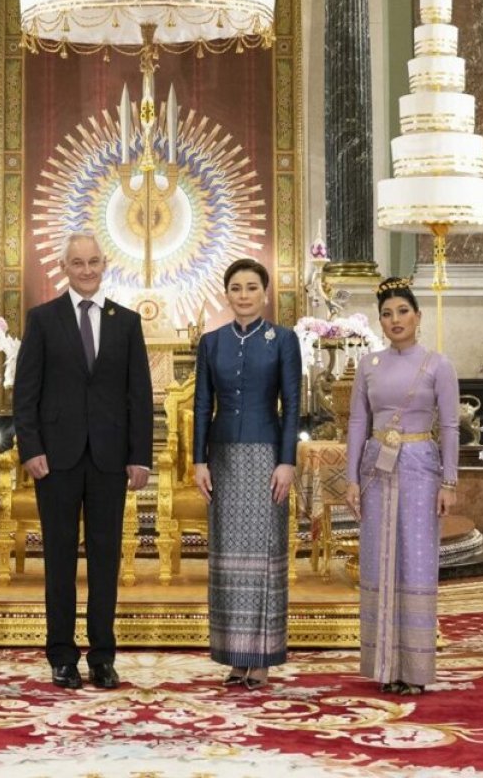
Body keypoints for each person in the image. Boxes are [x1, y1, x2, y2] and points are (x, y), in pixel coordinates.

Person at [13, 230, 153, 691]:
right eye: (78, 263)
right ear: (65, 267)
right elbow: (26, 392)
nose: (87, 270)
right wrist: (30, 448)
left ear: (104, 265)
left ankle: (103, 656)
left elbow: (139, 395)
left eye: (94, 262)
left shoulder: (126, 323)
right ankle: (62, 655)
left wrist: (140, 456)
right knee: (58, 561)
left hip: (111, 460)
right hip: (56, 459)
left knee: (105, 561)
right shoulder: (43, 319)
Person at [345, 276, 459, 696]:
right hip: (377, 468)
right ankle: (384, 665)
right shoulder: (369, 365)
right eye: (387, 314)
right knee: (378, 560)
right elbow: (357, 421)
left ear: (418, 316)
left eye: (403, 312)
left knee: (414, 560)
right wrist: (352, 477)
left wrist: (449, 481)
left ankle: (413, 668)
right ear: (380, 321)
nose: (395, 320)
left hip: (419, 467)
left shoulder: (437, 364)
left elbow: (448, 424)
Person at [192, 257, 302, 689]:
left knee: (263, 558)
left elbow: (292, 404)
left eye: (252, 287)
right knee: (229, 562)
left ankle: (262, 659)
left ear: (265, 292)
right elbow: (203, 404)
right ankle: (236, 658)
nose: (244, 295)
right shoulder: (212, 342)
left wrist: (287, 460)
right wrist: (199, 460)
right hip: (223, 459)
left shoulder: (283, 340)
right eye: (236, 288)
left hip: (267, 457)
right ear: (227, 293)